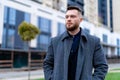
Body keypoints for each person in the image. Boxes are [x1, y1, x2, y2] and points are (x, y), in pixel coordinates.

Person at [43, 6, 108, 80]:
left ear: (80, 20)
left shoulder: (93, 41)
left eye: (72, 16)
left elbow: (102, 66)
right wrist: (51, 78)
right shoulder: (54, 41)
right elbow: (47, 64)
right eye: (67, 17)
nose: (69, 19)